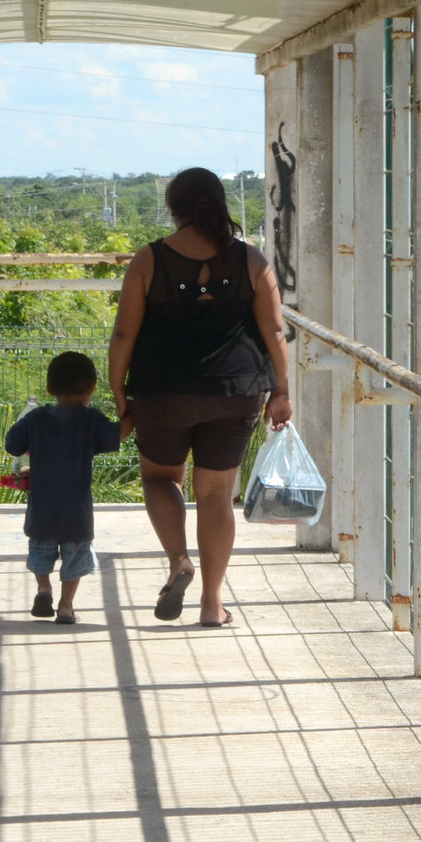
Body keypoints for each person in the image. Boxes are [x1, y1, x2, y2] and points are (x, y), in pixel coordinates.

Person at [108, 168, 291, 626]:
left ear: (173, 208)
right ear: (219, 203)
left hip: (162, 390)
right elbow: (274, 332)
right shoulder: (252, 261)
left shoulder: (148, 261)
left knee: (161, 480)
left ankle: (178, 562)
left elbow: (125, 332)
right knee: (215, 495)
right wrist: (281, 390)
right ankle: (213, 604)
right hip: (235, 390)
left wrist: (119, 396)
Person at [3, 351, 132, 624]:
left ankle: (43, 588)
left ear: (50, 388)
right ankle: (65, 606)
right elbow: (117, 435)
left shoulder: (36, 419)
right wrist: (133, 410)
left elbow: (12, 444)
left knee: (40, 550)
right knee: (75, 558)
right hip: (76, 512)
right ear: (91, 389)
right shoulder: (91, 420)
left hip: (42, 510)